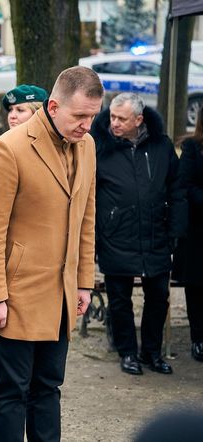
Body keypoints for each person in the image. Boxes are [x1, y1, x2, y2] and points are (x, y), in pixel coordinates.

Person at [0, 66, 102, 442]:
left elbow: (86, 218)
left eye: (93, 116)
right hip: (16, 296)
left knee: (49, 388)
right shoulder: (8, 149)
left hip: (61, 295)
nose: (87, 125)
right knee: (12, 390)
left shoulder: (88, 146)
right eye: (80, 116)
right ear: (54, 106)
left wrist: (83, 282)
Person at [90, 92, 186, 376]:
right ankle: (127, 352)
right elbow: (89, 195)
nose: (114, 123)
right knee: (120, 300)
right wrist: (96, 235)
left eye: (121, 118)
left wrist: (175, 232)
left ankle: (151, 353)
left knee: (158, 298)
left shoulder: (161, 146)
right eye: (112, 117)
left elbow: (178, 189)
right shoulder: (98, 147)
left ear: (139, 120)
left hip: (156, 235)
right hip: (115, 235)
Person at [173, 105, 203, 363]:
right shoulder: (193, 148)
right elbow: (185, 185)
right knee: (197, 290)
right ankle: (199, 338)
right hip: (198, 233)